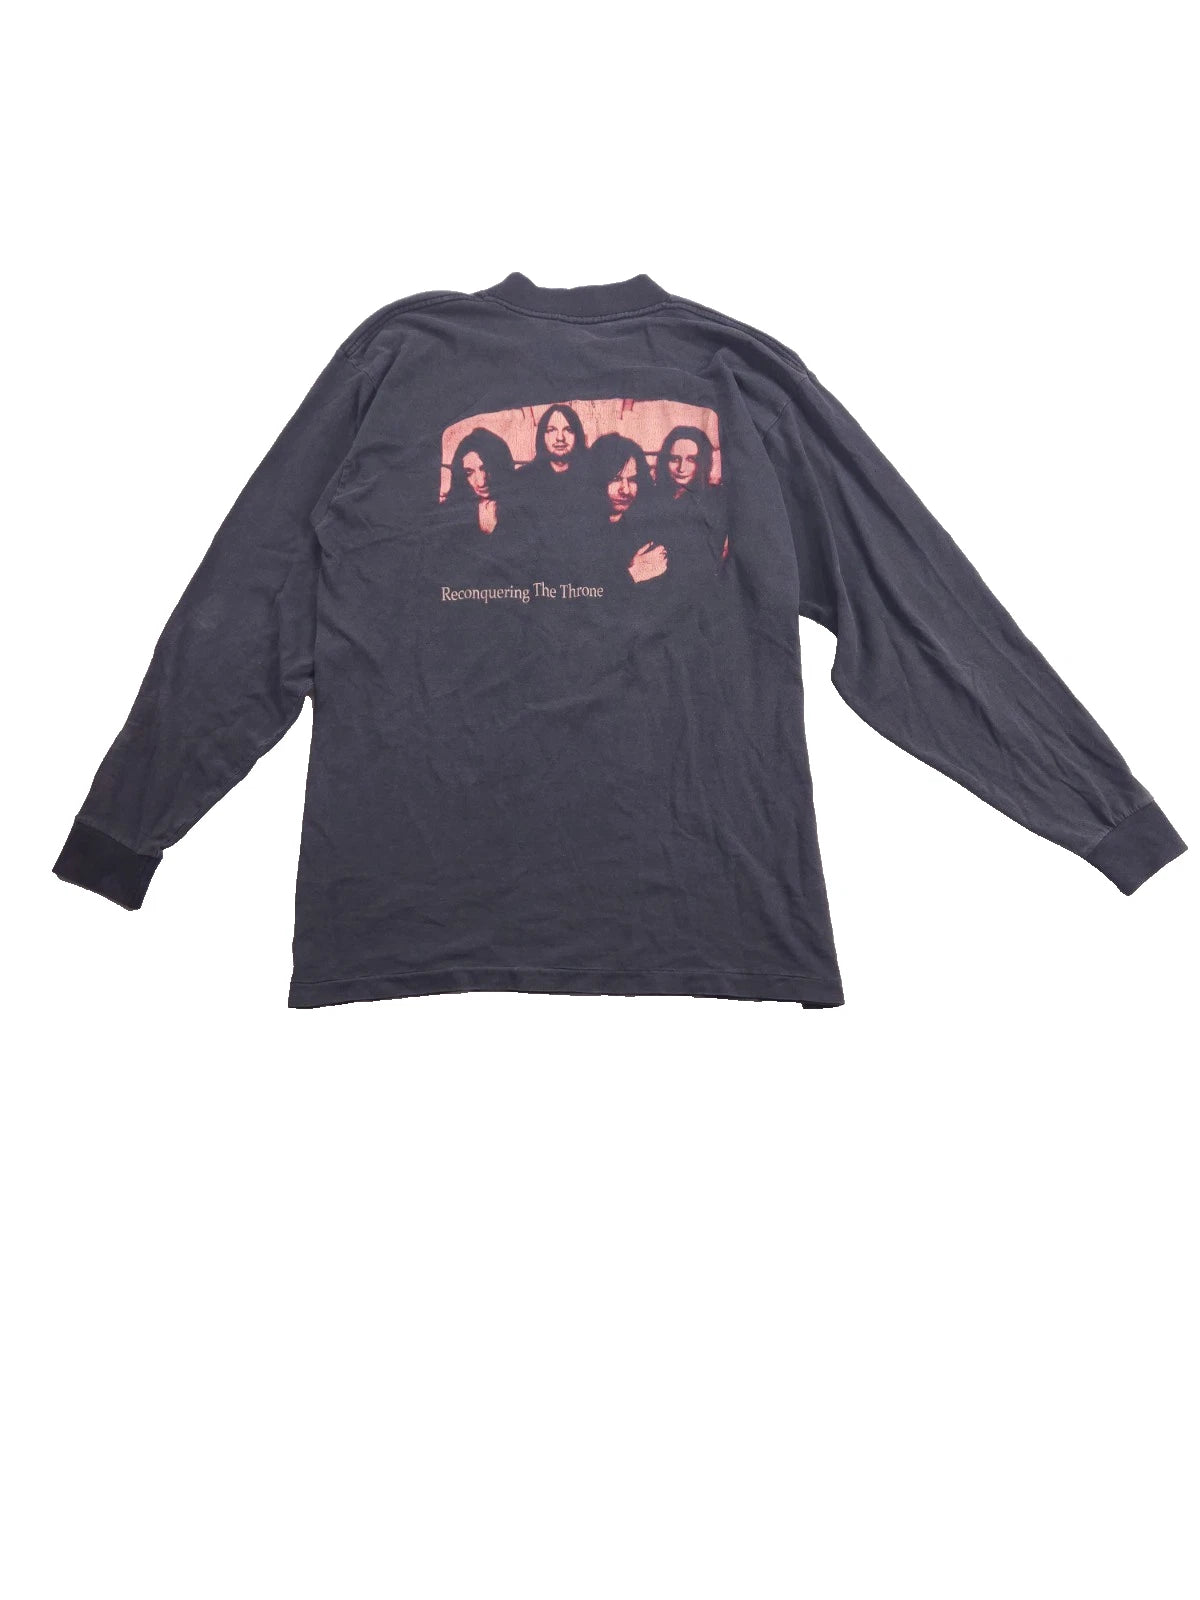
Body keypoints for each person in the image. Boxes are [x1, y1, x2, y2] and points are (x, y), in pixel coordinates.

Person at [443, 427, 518, 534]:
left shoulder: (521, 509)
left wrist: (493, 531)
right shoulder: (449, 514)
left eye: (485, 468)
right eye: (469, 472)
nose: (481, 482)